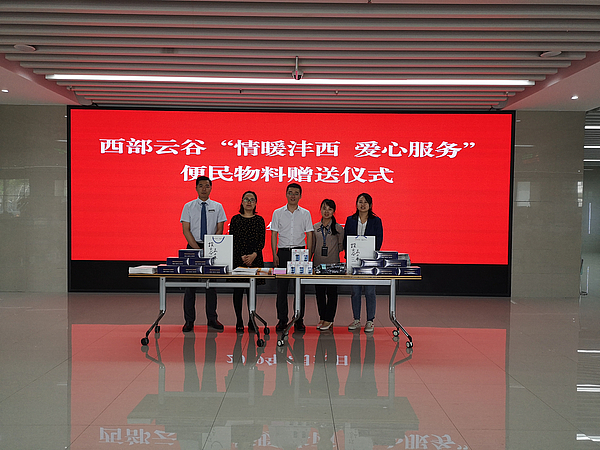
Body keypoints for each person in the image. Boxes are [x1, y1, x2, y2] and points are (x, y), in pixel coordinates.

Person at [181, 176, 227, 332]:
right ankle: (189, 321)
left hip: (212, 247)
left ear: (211, 188)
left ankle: (212, 319)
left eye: (207, 186)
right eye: (200, 186)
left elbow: (220, 228)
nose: (204, 189)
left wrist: (209, 247)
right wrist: (197, 249)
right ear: (196, 188)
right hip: (192, 247)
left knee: (211, 286)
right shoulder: (188, 206)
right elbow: (186, 230)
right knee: (190, 286)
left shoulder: (218, 206)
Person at [271, 183, 313, 332]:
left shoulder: (305, 213)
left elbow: (309, 234)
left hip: (299, 253)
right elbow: (274, 233)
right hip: (282, 253)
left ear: (300, 196)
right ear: (286, 194)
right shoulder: (277, 213)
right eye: (290, 192)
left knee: (299, 289)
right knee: (281, 289)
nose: (293, 196)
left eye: (296, 193)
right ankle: (282, 320)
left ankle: (299, 320)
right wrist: (274, 254)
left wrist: (308, 254)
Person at [343, 193, 383, 333]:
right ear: (356, 204)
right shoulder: (350, 220)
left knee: (370, 291)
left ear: (370, 205)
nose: (363, 204)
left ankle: (370, 320)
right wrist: (349, 256)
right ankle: (356, 319)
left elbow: (379, 241)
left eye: (366, 202)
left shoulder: (376, 221)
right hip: (354, 261)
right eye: (360, 201)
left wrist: (369, 254)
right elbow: (346, 239)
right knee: (355, 291)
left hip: (370, 262)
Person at [229, 190, 266, 333]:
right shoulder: (235, 219)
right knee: (238, 292)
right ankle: (239, 320)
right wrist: (242, 256)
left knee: (252, 292)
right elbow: (233, 240)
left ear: (256, 203)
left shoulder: (259, 220)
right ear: (242, 202)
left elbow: (261, 241)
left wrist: (253, 255)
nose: (249, 202)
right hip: (238, 259)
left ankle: (251, 320)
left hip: (255, 260)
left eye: (252, 199)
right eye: (246, 199)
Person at [311, 199, 344, 331]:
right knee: (319, 293)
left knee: (331, 293)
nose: (326, 211)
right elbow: (312, 246)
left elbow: (341, 246)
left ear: (333, 211)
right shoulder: (315, 227)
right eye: (324, 208)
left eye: (330, 209)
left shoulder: (338, 228)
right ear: (320, 209)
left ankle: (329, 319)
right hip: (318, 265)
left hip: (333, 266)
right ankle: (322, 317)